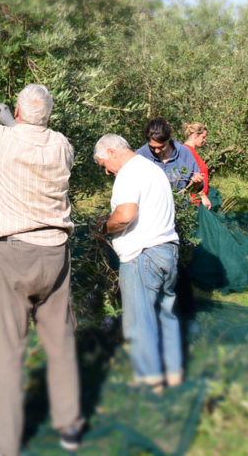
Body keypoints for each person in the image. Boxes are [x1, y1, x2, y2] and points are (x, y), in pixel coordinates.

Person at [0, 75, 84, 456]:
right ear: (50, 114)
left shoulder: (0, 140)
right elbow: (37, 142)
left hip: (14, 251)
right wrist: (15, 122)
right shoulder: (63, 146)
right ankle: (70, 427)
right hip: (56, 252)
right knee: (60, 342)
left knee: (9, 346)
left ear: (18, 110)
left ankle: (3, 442)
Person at [93, 134, 183, 392]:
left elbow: (125, 216)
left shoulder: (129, 173)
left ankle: (149, 382)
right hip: (167, 251)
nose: (107, 172)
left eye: (104, 165)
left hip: (142, 256)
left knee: (139, 319)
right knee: (166, 315)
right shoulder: (153, 169)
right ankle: (173, 374)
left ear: (111, 151)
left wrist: (104, 227)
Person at [136, 118, 211, 209]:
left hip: (180, 214)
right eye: (152, 147)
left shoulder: (184, 153)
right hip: (150, 214)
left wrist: (198, 186)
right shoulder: (139, 157)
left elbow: (197, 187)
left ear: (169, 137)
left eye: (161, 147)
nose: (157, 151)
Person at [180, 122, 211, 210]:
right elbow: (189, 176)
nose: (204, 140)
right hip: (192, 203)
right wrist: (202, 196)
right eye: (203, 137)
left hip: (198, 202)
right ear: (196, 135)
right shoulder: (186, 152)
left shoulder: (192, 152)